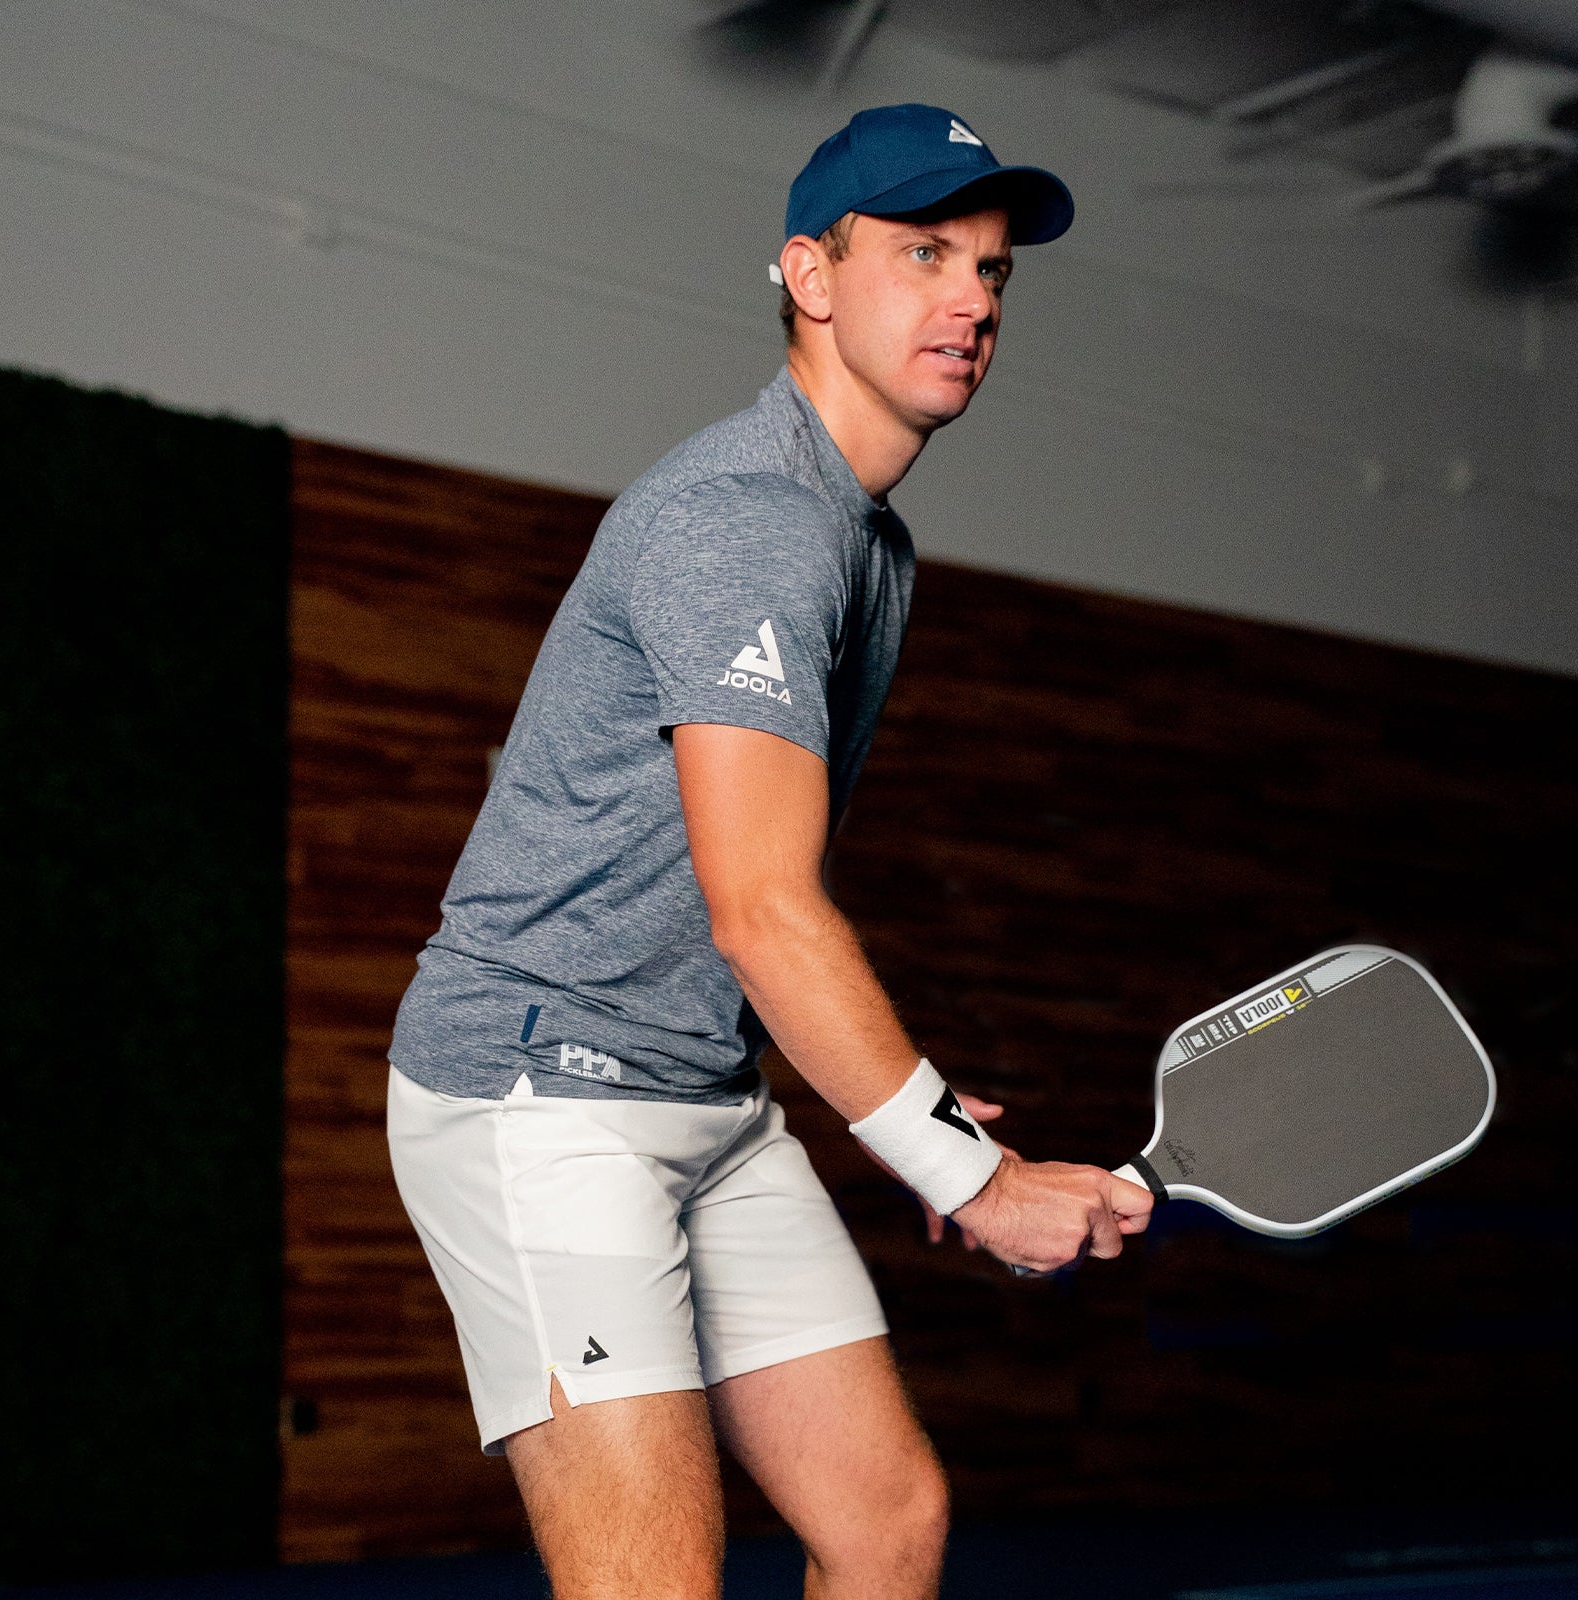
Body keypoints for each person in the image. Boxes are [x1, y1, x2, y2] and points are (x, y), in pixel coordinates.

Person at [386, 103, 1154, 1600]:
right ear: (808, 274)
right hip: (542, 1093)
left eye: (994, 272)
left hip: (705, 1094)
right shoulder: (750, 517)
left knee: (884, 1528)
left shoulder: (866, 540)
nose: (973, 301)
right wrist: (963, 1170)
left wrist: (921, 1113)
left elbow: (739, 903)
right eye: (924, 251)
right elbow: (761, 910)